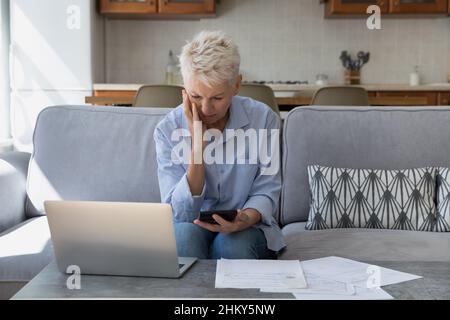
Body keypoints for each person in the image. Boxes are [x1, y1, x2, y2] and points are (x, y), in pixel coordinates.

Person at [154, 30, 285, 259]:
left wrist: (246, 218)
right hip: (191, 224)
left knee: (231, 245)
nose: (206, 109)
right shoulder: (167, 130)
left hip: (248, 227)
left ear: (237, 85)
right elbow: (179, 213)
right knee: (184, 236)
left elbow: (267, 188)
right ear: (184, 89)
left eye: (217, 98)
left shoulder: (263, 120)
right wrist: (197, 148)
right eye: (196, 97)